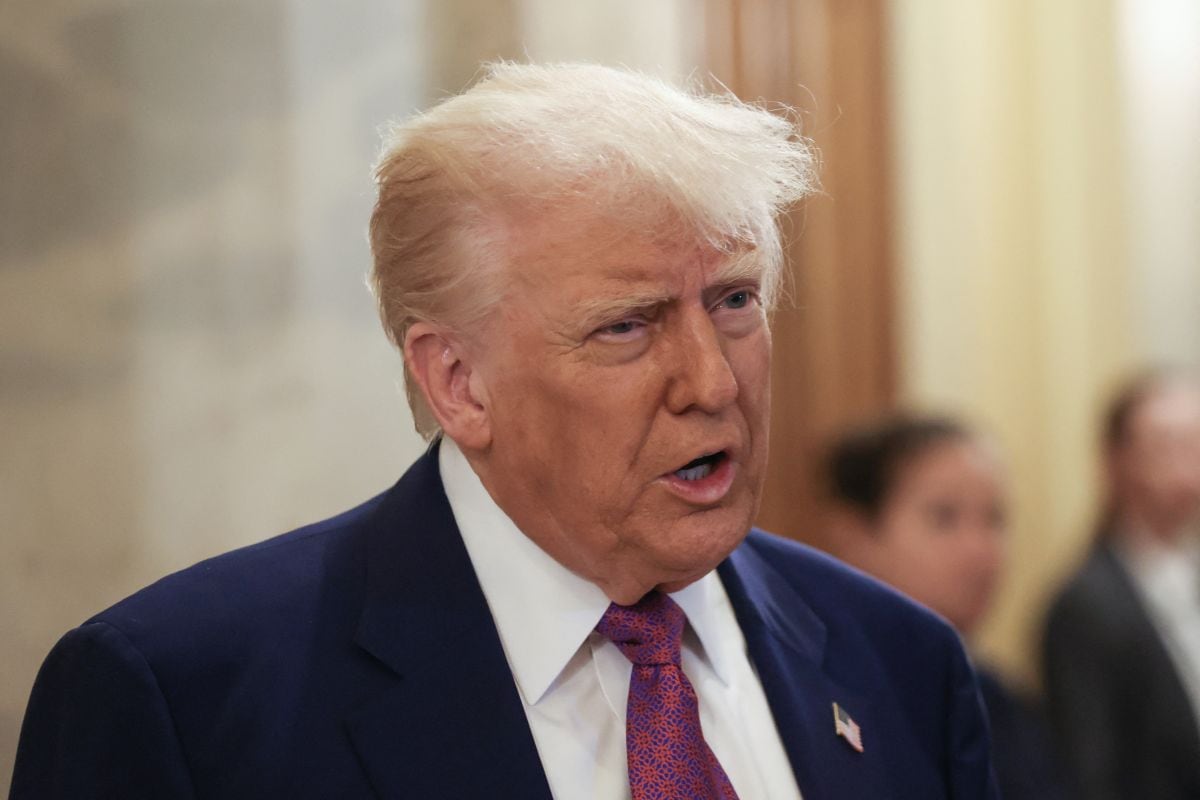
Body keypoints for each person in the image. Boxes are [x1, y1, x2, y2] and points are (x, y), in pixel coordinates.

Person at [12, 63, 998, 799]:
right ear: (458, 382)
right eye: (627, 325)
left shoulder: (901, 663)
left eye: (734, 300)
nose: (712, 381)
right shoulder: (183, 701)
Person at [823, 414, 1069, 800]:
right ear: (854, 536)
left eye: (994, 518)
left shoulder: (998, 698)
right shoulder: (825, 702)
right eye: (944, 517)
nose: (981, 550)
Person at [1042, 370, 1200, 800]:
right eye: (1167, 444)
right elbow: (1090, 771)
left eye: (1195, 443)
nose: (1187, 463)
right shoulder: (1086, 606)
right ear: (1117, 460)